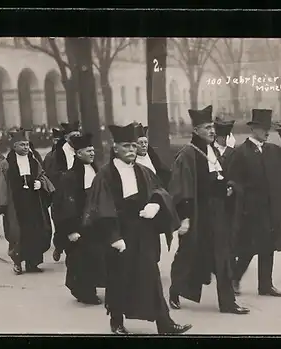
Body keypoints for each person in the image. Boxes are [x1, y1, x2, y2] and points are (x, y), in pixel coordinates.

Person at [82, 123, 192, 335]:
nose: (131, 150)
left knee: (151, 276)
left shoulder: (143, 171)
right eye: (126, 147)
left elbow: (159, 190)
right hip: (119, 233)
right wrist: (113, 237)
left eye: (133, 146)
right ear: (115, 149)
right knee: (119, 278)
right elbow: (100, 207)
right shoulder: (105, 175)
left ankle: (164, 323)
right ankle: (116, 321)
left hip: (143, 231)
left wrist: (156, 204)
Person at [168, 105, 250, 315]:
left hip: (217, 214)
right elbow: (181, 187)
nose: (212, 131)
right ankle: (175, 291)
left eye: (212, 127)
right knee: (189, 256)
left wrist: (227, 189)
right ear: (196, 131)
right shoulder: (187, 154)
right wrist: (184, 217)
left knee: (223, 258)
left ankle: (228, 303)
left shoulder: (212, 151)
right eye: (207, 128)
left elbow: (216, 179)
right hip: (197, 215)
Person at [226, 109, 281, 297]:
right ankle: (234, 279)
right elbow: (233, 178)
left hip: (272, 206)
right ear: (254, 129)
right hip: (252, 209)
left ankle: (265, 284)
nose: (267, 132)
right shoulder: (241, 152)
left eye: (268, 129)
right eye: (264, 129)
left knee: (269, 246)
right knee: (249, 247)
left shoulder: (272, 150)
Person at [0, 130, 55, 275]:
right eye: (22, 145)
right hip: (16, 205)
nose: (26, 148)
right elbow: (1, 185)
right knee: (17, 234)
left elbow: (41, 175)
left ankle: (33, 263)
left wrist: (40, 183)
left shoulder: (33, 161)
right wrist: (3, 205)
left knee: (36, 231)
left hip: (33, 203)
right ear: (14, 146)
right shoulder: (6, 164)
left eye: (27, 145)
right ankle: (18, 263)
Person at [52, 133, 106, 305]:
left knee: (96, 257)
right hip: (78, 225)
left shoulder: (96, 171)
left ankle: (91, 287)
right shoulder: (69, 177)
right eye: (88, 150)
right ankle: (84, 292)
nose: (92, 153)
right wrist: (70, 230)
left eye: (93, 150)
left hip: (95, 223)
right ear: (78, 153)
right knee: (80, 260)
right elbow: (65, 205)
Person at [44, 122, 82, 262]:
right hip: (61, 195)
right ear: (66, 138)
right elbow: (51, 175)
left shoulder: (82, 150)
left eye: (79, 135)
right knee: (62, 224)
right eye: (74, 136)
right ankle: (59, 246)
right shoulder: (56, 155)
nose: (77, 138)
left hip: (78, 194)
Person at [134, 123, 171, 188]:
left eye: (146, 142)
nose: (144, 145)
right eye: (140, 143)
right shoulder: (132, 161)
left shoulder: (152, 158)